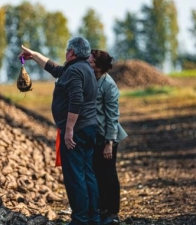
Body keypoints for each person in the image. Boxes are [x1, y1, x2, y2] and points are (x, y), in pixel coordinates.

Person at [19, 37, 100, 225]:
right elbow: (54, 69)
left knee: (74, 176)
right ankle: (93, 219)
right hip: (89, 128)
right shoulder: (83, 68)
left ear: (72, 52)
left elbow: (76, 100)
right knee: (88, 174)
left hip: (76, 131)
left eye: (66, 50)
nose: (65, 53)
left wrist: (69, 129)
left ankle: (80, 219)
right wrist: (35, 55)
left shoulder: (74, 71)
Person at [88, 49, 128, 225]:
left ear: (99, 67)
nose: (87, 63)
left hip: (108, 137)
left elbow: (112, 117)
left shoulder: (108, 85)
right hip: (95, 135)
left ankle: (112, 213)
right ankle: (100, 209)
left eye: (90, 62)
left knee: (108, 173)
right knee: (96, 172)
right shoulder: (91, 78)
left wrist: (108, 144)